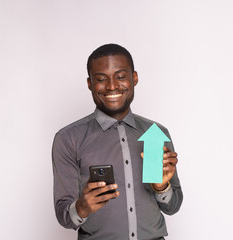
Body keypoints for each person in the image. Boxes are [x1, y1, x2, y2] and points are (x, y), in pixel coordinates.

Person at [52, 44, 183, 240]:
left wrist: (161, 187)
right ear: (89, 83)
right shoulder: (69, 139)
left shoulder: (155, 134)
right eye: (101, 79)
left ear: (134, 78)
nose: (112, 86)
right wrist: (82, 207)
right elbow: (64, 216)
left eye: (120, 76)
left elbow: (173, 207)